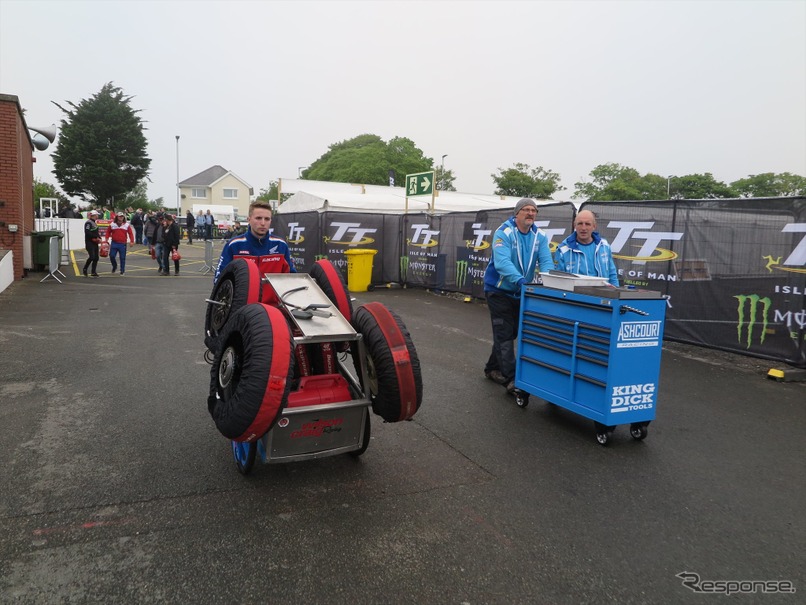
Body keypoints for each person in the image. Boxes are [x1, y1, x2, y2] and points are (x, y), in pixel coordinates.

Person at [483, 198, 554, 394]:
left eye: (534, 210)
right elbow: (502, 263)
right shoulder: (503, 232)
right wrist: (521, 280)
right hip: (498, 290)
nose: (530, 213)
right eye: (526, 210)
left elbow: (546, 262)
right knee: (504, 333)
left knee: (511, 332)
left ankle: (492, 368)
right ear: (517, 214)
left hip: (521, 292)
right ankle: (512, 379)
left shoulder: (540, 236)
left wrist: (550, 282)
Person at [214, 201, 296, 282]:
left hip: (273, 296)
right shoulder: (234, 245)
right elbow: (219, 279)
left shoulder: (281, 245)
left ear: (271, 221)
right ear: (249, 220)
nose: (263, 223)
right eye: (258, 218)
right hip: (243, 295)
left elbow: (292, 277)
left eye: (267, 219)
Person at [554, 209, 620, 287]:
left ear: (594, 226)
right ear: (574, 225)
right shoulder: (562, 250)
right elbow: (557, 282)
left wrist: (616, 293)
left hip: (602, 296)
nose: (583, 228)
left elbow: (612, 275)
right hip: (575, 297)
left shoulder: (604, 246)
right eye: (580, 224)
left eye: (587, 224)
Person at [82, 210, 101, 277]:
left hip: (95, 242)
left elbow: (96, 232)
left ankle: (93, 272)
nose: (97, 216)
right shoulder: (88, 223)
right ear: (94, 215)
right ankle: (85, 268)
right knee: (92, 257)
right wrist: (95, 237)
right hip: (89, 242)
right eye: (97, 215)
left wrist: (99, 237)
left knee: (96, 258)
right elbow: (87, 232)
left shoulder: (94, 223)